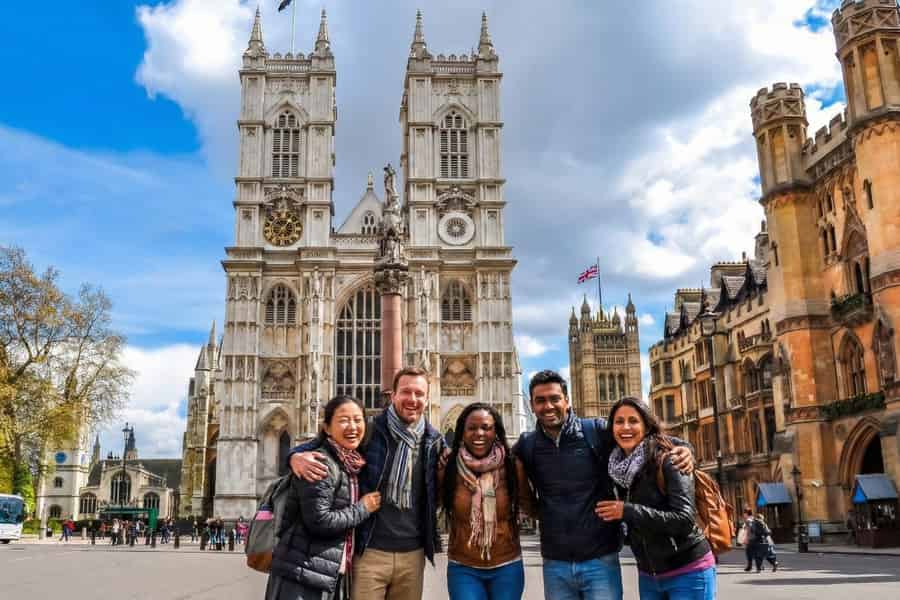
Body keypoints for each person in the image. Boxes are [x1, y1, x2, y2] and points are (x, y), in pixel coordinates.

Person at [514, 370, 694, 600]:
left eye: (554, 398)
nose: (548, 406)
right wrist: (541, 513)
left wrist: (688, 450)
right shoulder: (527, 445)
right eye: (540, 401)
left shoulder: (595, 431)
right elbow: (500, 464)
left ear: (567, 401)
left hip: (600, 560)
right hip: (555, 563)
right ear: (531, 405)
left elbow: (648, 441)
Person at [290, 366, 446, 600]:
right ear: (393, 395)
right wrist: (293, 456)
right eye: (405, 392)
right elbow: (321, 443)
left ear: (427, 397)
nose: (412, 399)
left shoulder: (434, 442)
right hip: (370, 551)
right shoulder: (370, 430)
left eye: (419, 393)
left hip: (412, 554)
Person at [596, 397, 716, 600]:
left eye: (633, 421)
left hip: (688, 570)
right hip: (649, 575)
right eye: (619, 421)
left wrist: (627, 511)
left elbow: (685, 520)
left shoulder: (671, 459)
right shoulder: (615, 467)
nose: (626, 427)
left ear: (647, 425)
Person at [266, 395, 381, 600]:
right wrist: (363, 508)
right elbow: (319, 521)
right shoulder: (318, 463)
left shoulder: (352, 463)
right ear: (326, 428)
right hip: (303, 574)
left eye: (357, 419)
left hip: (327, 571)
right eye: (344, 419)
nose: (352, 426)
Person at [439, 403, 536, 600]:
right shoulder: (448, 467)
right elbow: (431, 503)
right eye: (472, 428)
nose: (479, 433)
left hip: (506, 564)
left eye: (486, 427)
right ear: (462, 432)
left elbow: (531, 505)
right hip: (463, 565)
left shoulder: (512, 466)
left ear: (496, 431)